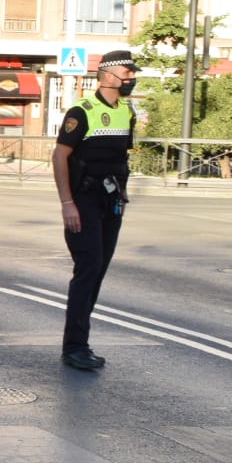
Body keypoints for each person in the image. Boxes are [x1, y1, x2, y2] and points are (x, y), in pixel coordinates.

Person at [51, 50, 137, 371]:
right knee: (87, 269)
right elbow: (60, 157)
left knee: (98, 270)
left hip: (111, 202)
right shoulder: (82, 111)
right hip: (83, 200)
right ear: (108, 74)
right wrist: (67, 203)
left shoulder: (127, 112)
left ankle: (80, 342)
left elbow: (121, 159)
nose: (130, 79)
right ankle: (74, 347)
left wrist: (123, 193)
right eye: (127, 72)